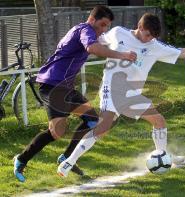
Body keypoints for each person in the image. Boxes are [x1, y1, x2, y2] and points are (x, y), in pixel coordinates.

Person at [57, 13, 185, 177]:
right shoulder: (118, 33)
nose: (150, 39)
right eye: (147, 35)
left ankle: (163, 155)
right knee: (102, 128)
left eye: (153, 36)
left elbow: (182, 52)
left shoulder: (154, 45)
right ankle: (69, 162)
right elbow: (95, 42)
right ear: (139, 26)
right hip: (112, 88)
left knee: (159, 120)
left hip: (132, 94)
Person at [13, 5, 137, 182]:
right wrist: (122, 55)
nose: (104, 29)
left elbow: (107, 42)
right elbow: (92, 49)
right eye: (102, 24)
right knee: (56, 132)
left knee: (93, 120)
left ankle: (66, 159)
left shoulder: (89, 32)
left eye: (107, 26)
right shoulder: (85, 30)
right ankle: (21, 159)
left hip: (66, 87)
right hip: (52, 85)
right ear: (92, 19)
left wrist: (136, 38)